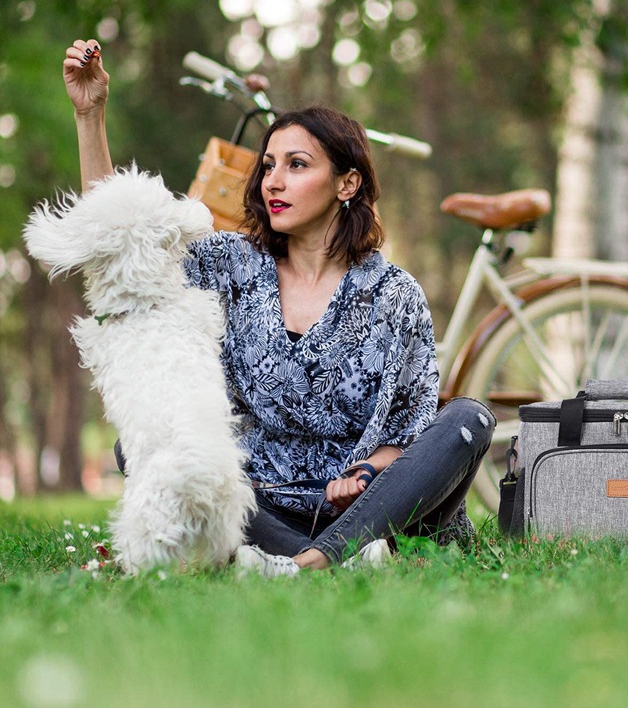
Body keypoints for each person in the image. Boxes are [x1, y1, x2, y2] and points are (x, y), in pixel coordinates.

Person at [63, 38, 495, 577]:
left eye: (296, 165)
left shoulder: (395, 294)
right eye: (269, 166)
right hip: (258, 503)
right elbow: (119, 241)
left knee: (468, 418)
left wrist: (363, 475)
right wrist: (90, 115)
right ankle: (326, 561)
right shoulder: (231, 265)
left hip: (371, 510)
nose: (273, 180)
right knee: (145, 450)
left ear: (347, 183)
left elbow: (407, 436)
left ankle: (311, 561)